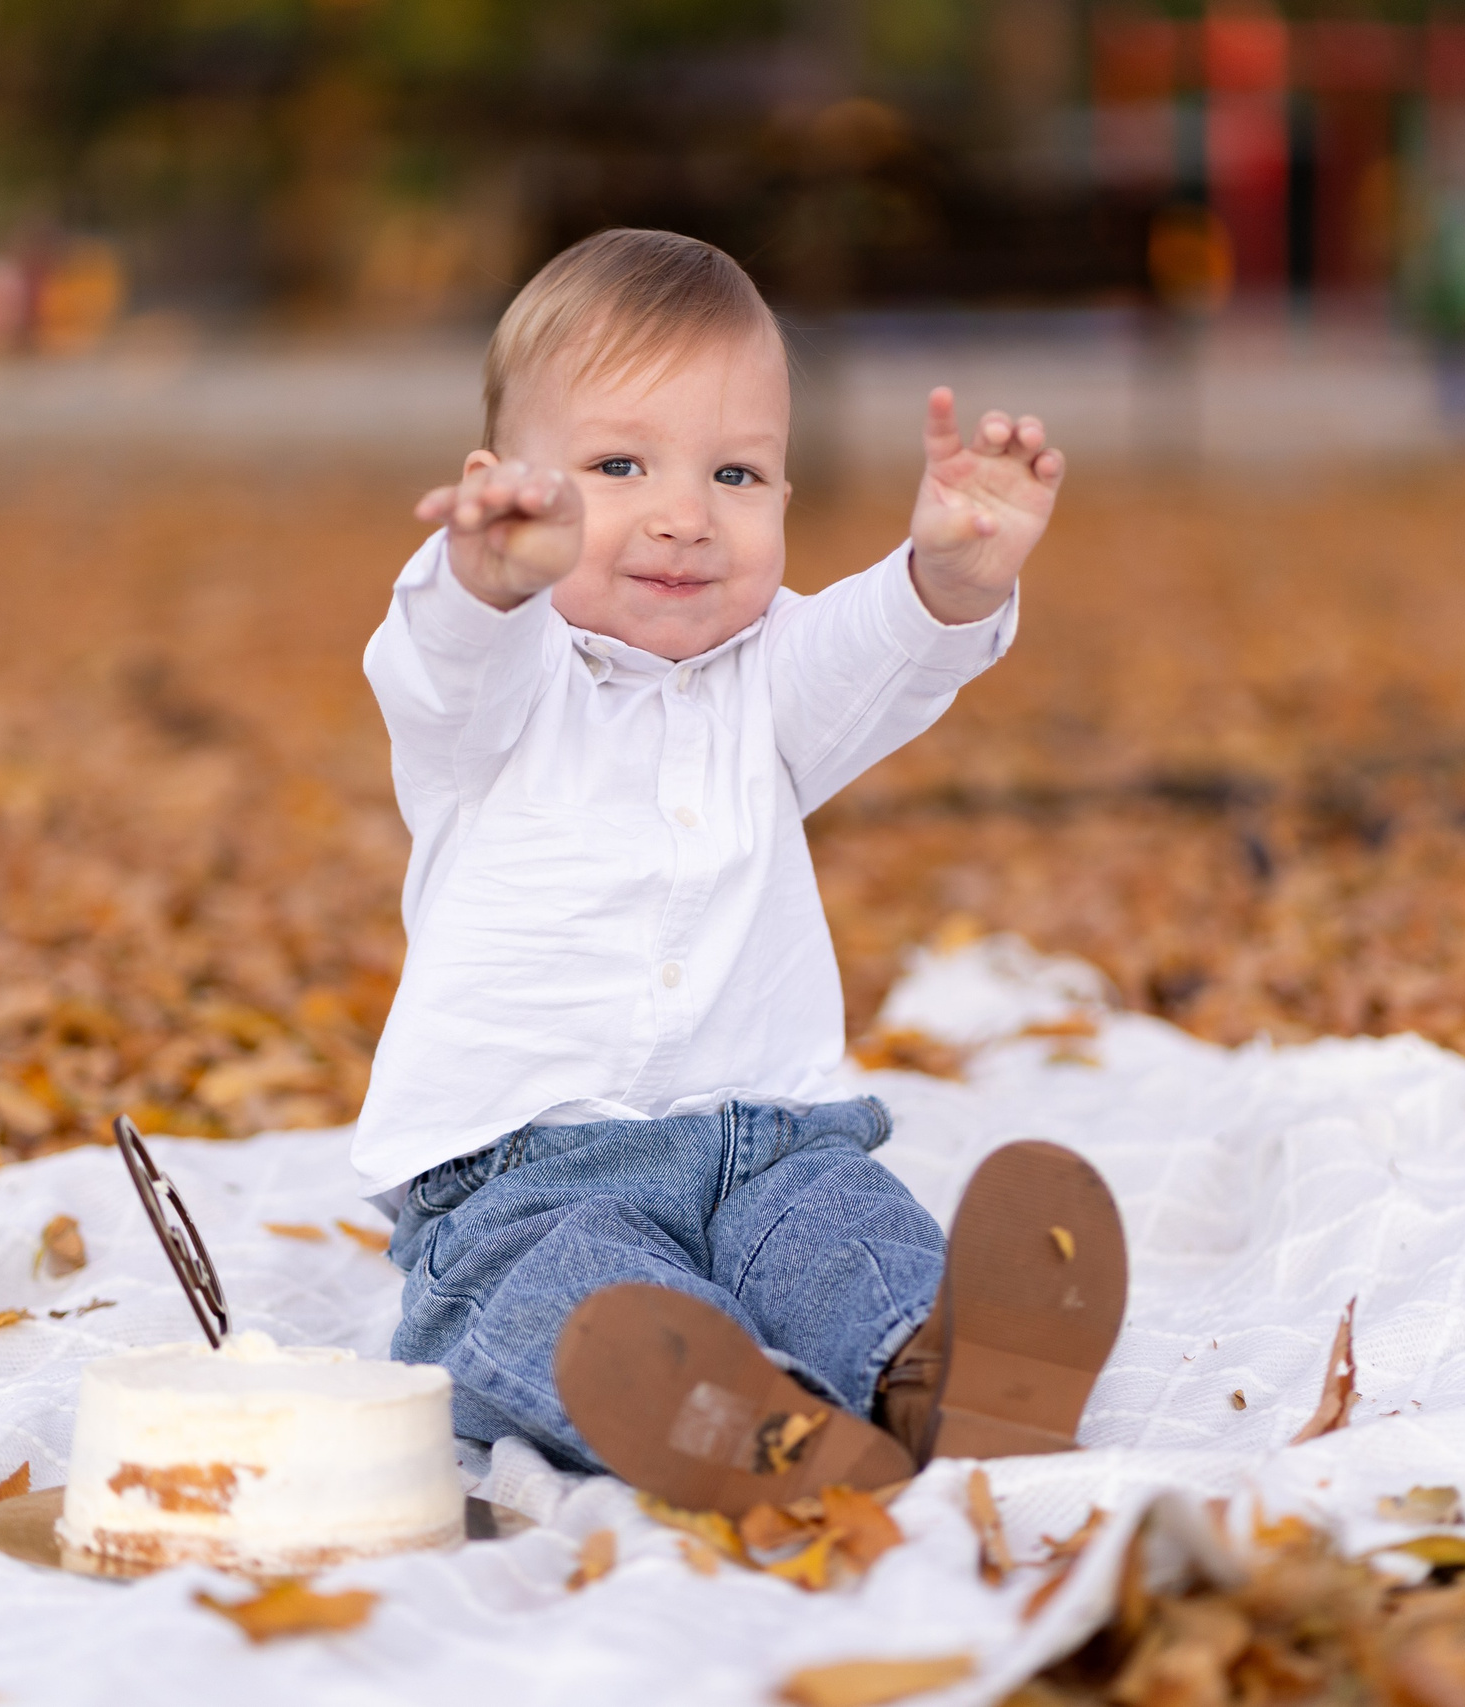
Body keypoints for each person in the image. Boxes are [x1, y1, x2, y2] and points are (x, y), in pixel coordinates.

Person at [359, 227, 1126, 1515]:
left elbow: (877, 653)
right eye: (617, 466)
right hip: (522, 1174)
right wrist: (480, 579)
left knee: (846, 1233)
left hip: (769, 1143)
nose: (683, 515)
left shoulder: (767, 677)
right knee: (573, 1298)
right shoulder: (502, 686)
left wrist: (951, 575)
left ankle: (943, 1373)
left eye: (736, 472)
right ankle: (739, 1420)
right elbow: (444, 663)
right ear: (503, 489)